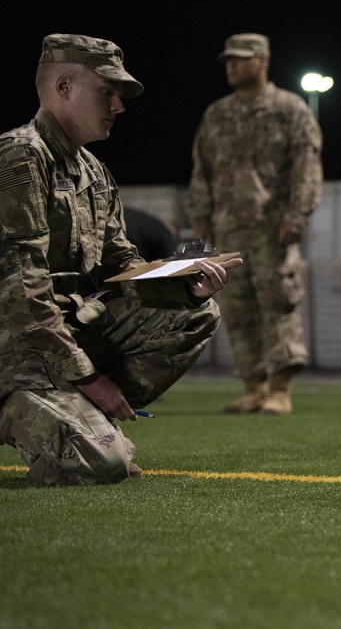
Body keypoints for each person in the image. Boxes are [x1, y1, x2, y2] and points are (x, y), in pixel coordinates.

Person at [0, 33, 242, 485]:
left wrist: (186, 285)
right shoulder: (21, 156)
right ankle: (22, 405)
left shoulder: (94, 171)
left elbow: (120, 266)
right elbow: (22, 291)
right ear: (64, 87)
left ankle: (76, 417)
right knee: (106, 465)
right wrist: (90, 379)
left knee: (196, 313)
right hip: (15, 346)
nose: (119, 106)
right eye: (107, 92)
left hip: (64, 340)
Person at [185, 33, 322, 415]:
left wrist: (297, 213)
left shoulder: (290, 109)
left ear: (261, 60)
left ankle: (280, 389)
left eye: (240, 59)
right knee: (238, 309)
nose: (231, 65)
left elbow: (306, 166)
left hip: (271, 228)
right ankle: (254, 386)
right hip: (228, 229)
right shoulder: (217, 114)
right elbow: (202, 171)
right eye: (227, 59)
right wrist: (201, 218)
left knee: (277, 301)